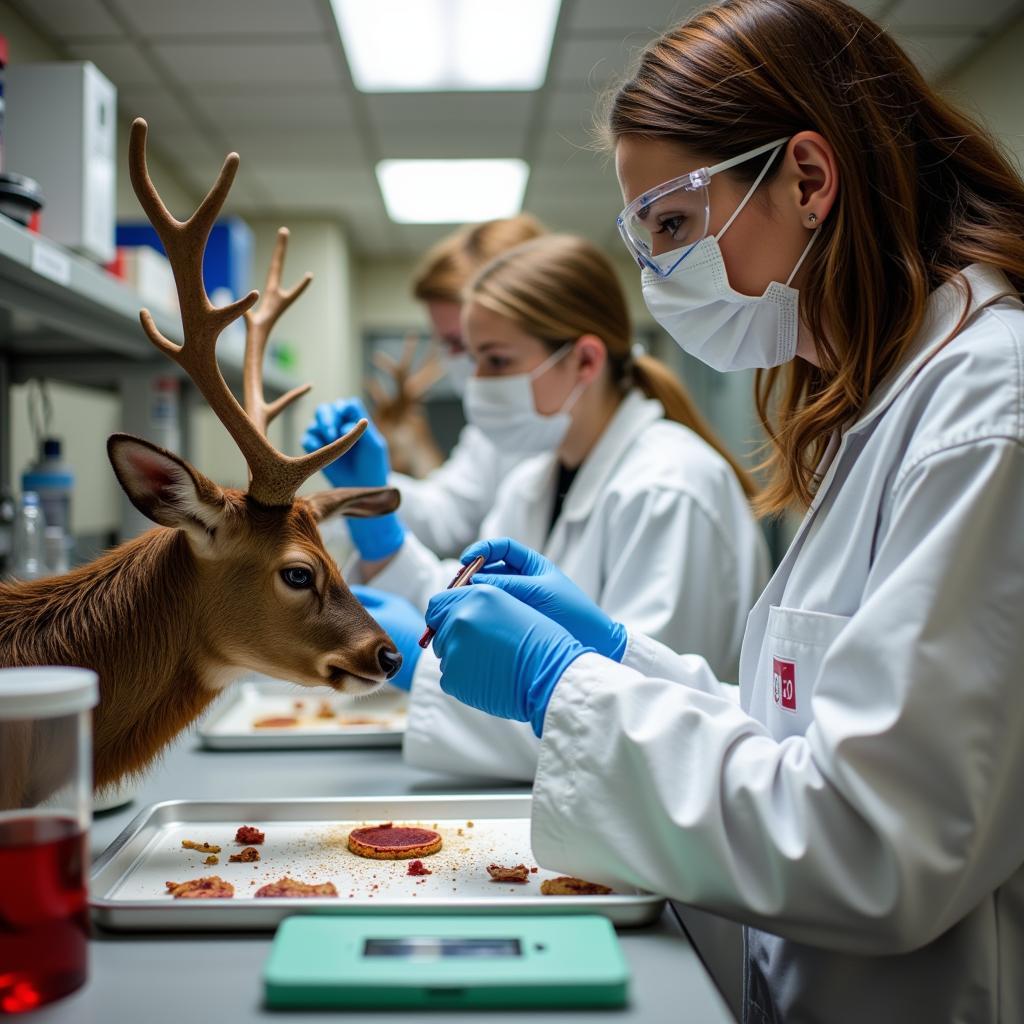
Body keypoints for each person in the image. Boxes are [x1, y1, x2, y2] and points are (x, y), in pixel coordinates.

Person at [420, 1, 1024, 1021]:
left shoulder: (986, 415)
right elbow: (805, 742)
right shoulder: (890, 403)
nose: (659, 278)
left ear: (806, 177)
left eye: (672, 224)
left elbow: (872, 842)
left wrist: (561, 685)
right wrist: (618, 655)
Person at [312, 233, 769, 780]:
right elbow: (468, 606)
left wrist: (420, 663)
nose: (477, 384)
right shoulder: (533, 480)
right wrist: (378, 530)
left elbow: (644, 727)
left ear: (583, 360)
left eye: (497, 360)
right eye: (474, 359)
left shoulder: (670, 488)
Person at [306, 215, 544, 558]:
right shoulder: (493, 429)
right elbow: (448, 515)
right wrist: (369, 488)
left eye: (464, 343)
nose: (460, 362)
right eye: (448, 345)